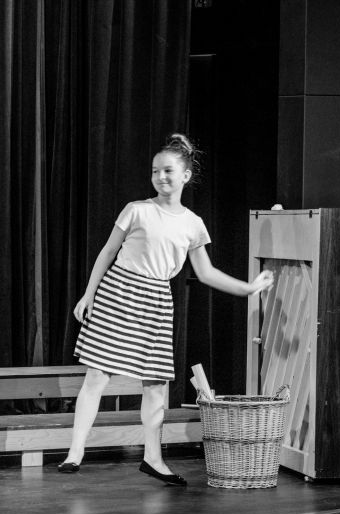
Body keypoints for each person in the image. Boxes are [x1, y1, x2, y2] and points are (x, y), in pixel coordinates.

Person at [58, 133, 273, 485]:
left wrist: (248, 288)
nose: (160, 177)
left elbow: (206, 273)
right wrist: (88, 295)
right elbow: (107, 252)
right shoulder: (137, 209)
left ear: (185, 175)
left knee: (156, 384)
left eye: (168, 171)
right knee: (97, 375)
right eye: (155, 171)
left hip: (156, 300)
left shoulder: (192, 223)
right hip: (119, 292)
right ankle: (75, 452)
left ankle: (153, 458)